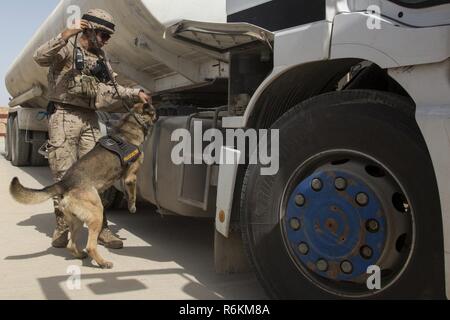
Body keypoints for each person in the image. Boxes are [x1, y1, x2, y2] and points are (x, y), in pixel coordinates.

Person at [33, 8, 151, 249]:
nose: (106, 41)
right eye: (103, 35)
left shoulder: (101, 59)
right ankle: (63, 226)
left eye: (108, 37)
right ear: (89, 29)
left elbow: (114, 88)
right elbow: (40, 57)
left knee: (99, 174)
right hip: (63, 115)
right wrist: (66, 34)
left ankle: (102, 227)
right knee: (64, 173)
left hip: (90, 117)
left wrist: (136, 93)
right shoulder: (66, 48)